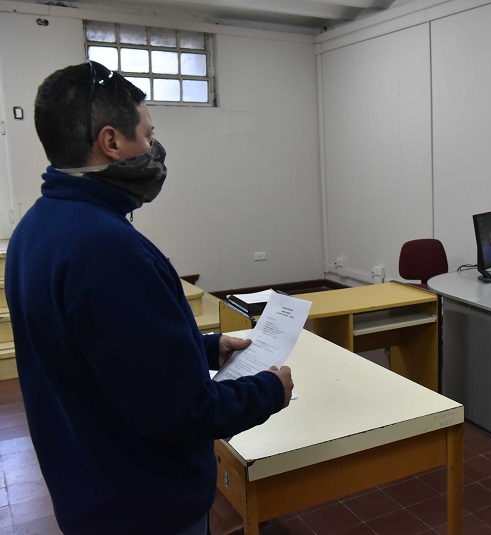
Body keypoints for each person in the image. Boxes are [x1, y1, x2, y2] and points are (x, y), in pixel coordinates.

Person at [5, 61, 294, 535]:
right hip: (146, 506)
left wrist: (205, 348)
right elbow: (179, 412)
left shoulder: (35, 229)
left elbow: (97, 353)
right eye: (147, 134)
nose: (154, 149)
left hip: (89, 490)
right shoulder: (109, 251)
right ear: (111, 142)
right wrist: (268, 391)